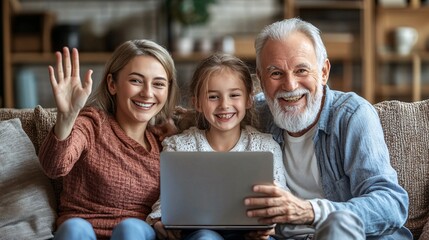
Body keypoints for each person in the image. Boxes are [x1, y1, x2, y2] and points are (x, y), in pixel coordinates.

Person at [243, 18, 413, 239]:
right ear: (262, 79)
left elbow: (392, 204)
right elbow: (215, 113)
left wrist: (310, 211)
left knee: (338, 224)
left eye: (302, 70)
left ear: (323, 72)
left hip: (349, 234)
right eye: (276, 73)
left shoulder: (352, 115)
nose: (290, 86)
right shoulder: (256, 113)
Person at [38, 39, 179, 240]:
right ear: (112, 84)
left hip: (137, 234)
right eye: (136, 81)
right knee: (74, 229)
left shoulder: (165, 140)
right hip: (81, 231)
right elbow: (54, 166)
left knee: (130, 228)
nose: (148, 93)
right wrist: (66, 117)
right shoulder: (92, 124)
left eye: (158, 84)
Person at [147, 53, 289, 240]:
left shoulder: (266, 146)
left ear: (249, 99)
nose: (224, 105)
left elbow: (281, 198)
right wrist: (158, 219)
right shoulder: (179, 146)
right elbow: (167, 198)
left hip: (251, 234)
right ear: (197, 103)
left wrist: (268, 226)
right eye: (213, 97)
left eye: (234, 95)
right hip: (199, 233)